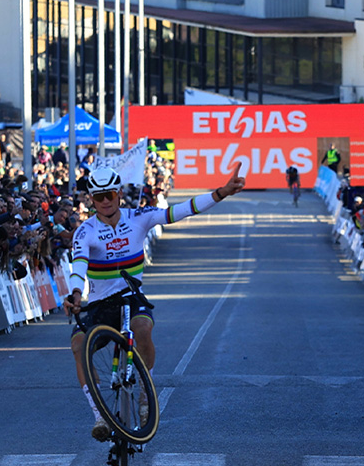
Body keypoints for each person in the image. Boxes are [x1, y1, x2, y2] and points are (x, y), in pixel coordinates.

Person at [64, 166, 246, 441]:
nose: (105, 201)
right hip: (100, 303)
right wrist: (76, 294)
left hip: (131, 297)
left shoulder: (139, 217)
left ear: (119, 193)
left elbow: (180, 211)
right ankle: (99, 415)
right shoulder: (85, 231)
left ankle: (145, 394)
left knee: (143, 328)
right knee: (78, 346)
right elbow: (78, 266)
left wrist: (221, 193)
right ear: (91, 199)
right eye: (99, 196)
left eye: (110, 194)